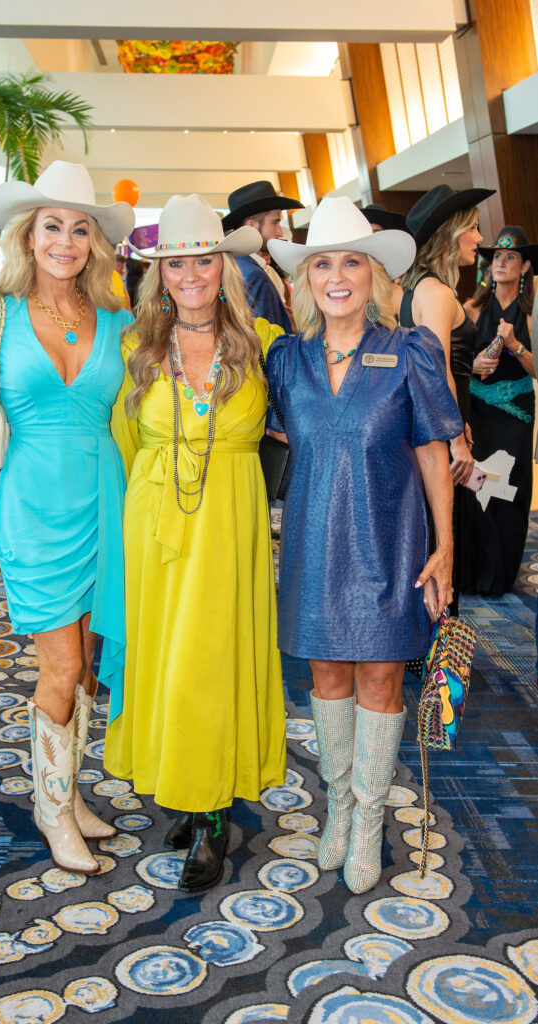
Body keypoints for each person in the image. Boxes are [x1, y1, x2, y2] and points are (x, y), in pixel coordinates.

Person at [0, 161, 135, 874]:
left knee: (84, 671)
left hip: (104, 501)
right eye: (53, 225)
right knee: (62, 662)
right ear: (29, 234)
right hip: (30, 503)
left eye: (80, 229)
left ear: (94, 244)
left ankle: (69, 796)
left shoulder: (116, 318)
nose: (66, 240)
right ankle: (52, 814)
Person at [267, 197, 462, 894]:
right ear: (306, 279)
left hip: (390, 537)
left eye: (351, 261)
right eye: (322, 263)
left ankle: (368, 820)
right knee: (326, 679)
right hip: (316, 541)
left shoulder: (408, 350)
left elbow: (434, 453)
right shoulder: (285, 359)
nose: (337, 275)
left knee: (379, 678)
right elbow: (274, 431)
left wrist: (443, 549)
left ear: (373, 273)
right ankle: (339, 807)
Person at [105, 194, 287, 892]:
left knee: (211, 661)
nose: (189, 274)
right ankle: (187, 789)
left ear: (223, 266)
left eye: (202, 260)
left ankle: (210, 815)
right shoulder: (135, 348)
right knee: (167, 662)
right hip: (153, 525)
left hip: (230, 528)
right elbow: (122, 445)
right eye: (175, 262)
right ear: (159, 272)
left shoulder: (265, 345)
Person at [400, 184, 495, 614]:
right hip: (437, 437)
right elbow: (435, 373)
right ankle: (434, 660)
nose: (479, 238)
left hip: (437, 428)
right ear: (450, 233)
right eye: (473, 228)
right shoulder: (436, 292)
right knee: (441, 539)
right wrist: (455, 438)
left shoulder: (420, 287)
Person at [461, 226, 537, 595]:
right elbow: (454, 361)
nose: (500, 263)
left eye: (509, 257)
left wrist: (515, 345)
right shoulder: (472, 308)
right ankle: (475, 573)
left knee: (511, 490)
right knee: (476, 488)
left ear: (524, 267)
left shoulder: (533, 312)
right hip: (478, 412)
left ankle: (501, 576)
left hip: (516, 415)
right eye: (496, 257)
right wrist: (473, 364)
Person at [223, 180, 303, 332]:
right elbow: (267, 345)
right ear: (251, 226)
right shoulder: (253, 275)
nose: (279, 232)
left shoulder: (235, 266)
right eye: (275, 222)